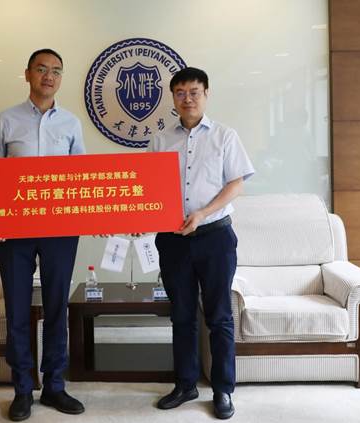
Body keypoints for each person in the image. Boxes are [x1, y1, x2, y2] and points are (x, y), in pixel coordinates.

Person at [148, 67, 254, 419]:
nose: (187, 99)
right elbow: (148, 190)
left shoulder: (224, 136)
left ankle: (223, 390)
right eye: (180, 93)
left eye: (194, 92)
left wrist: (203, 212)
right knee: (181, 315)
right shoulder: (160, 140)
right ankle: (185, 384)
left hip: (215, 237)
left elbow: (236, 184)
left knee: (219, 316)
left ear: (206, 94)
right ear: (173, 98)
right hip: (173, 240)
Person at [0, 48, 86, 421]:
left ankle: (55, 386)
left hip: (61, 230)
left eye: (56, 71)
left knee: (57, 306)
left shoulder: (72, 124)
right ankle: (22, 389)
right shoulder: (6, 120)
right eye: (41, 69)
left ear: (61, 78)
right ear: (27, 74)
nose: (49, 76)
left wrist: (94, 216)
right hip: (14, 232)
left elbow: (81, 179)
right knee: (17, 309)